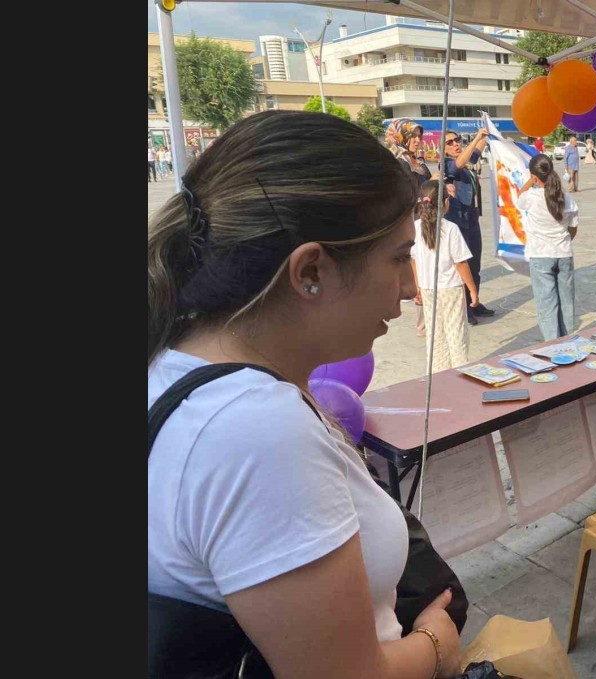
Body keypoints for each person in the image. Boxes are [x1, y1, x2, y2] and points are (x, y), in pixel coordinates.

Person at [148, 110, 462, 678]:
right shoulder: (255, 432)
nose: (413, 288)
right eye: (397, 258)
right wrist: (437, 645)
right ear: (310, 271)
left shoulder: (171, 364)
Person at [412, 179, 479, 371]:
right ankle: (459, 371)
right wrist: (472, 289)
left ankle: (437, 373)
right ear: (445, 203)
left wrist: (417, 285)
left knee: (435, 336)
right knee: (456, 334)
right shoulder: (450, 229)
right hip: (450, 288)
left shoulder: (416, 228)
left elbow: (414, 260)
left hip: (427, 288)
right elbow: (460, 262)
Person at [516, 154, 579, 342]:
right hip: (564, 253)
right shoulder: (567, 199)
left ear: (534, 176)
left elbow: (519, 197)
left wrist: (531, 179)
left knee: (547, 304)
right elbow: (573, 230)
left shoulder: (532, 197)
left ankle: (552, 344)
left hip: (541, 255)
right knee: (566, 303)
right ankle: (567, 341)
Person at [441, 128, 496, 325]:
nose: (456, 144)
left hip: (471, 219)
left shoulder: (465, 162)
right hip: (458, 221)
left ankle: (475, 302)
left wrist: (485, 135)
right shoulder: (446, 164)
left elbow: (475, 154)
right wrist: (476, 138)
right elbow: (460, 163)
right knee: (463, 265)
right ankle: (465, 308)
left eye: (457, 140)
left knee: (475, 264)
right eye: (450, 142)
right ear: (443, 149)